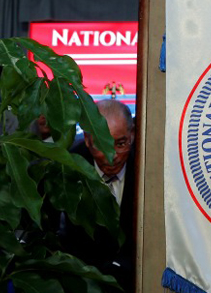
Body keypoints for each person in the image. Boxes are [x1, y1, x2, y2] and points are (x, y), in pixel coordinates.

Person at [66, 99, 136, 292]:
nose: (112, 155)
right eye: (101, 144)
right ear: (87, 140)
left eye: (120, 143)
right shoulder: (69, 168)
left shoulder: (146, 169)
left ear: (132, 135)